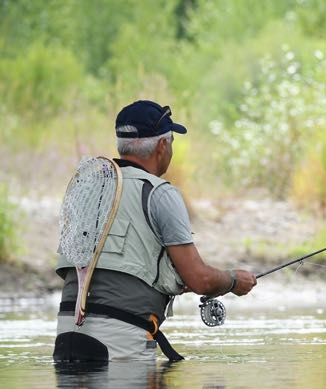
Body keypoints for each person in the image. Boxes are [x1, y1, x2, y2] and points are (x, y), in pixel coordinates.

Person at [54, 100, 257, 363]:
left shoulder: (87, 187)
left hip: (66, 335)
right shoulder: (160, 193)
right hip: (120, 340)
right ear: (162, 146)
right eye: (171, 140)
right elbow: (200, 281)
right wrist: (233, 280)